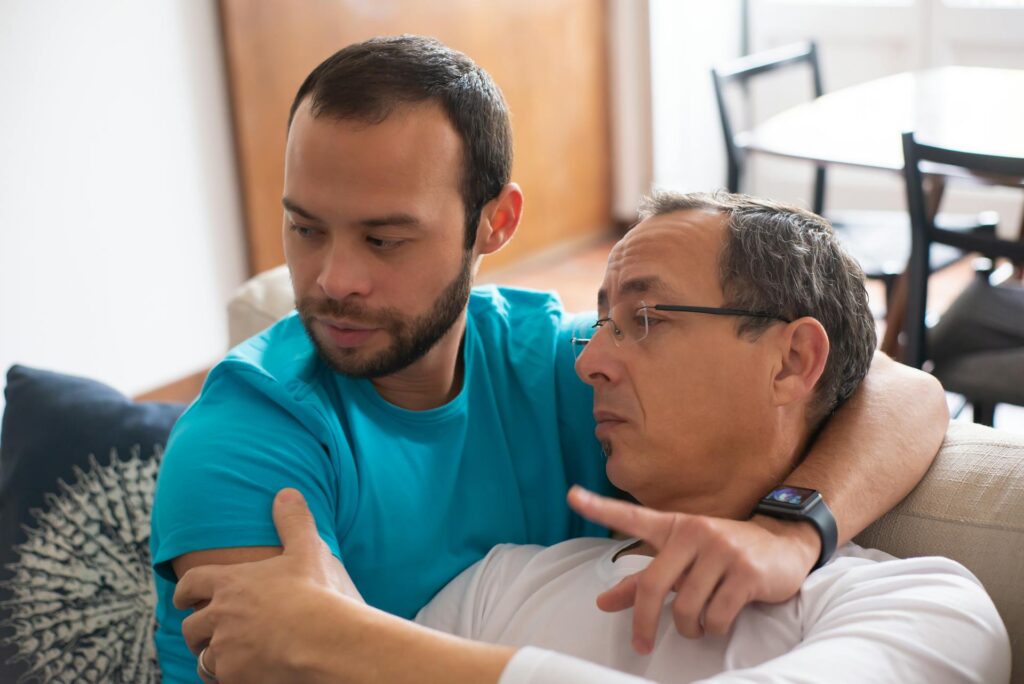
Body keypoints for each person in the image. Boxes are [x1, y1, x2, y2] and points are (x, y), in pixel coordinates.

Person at [151, 36, 950, 682]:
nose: (333, 280)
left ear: (494, 223)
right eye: (306, 228)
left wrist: (792, 530)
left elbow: (895, 387)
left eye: (384, 238)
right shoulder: (249, 438)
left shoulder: (562, 367)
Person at [175, 192, 1009, 683]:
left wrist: (341, 638)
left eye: (643, 317)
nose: (590, 363)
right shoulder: (500, 586)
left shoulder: (926, 605)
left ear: (793, 359)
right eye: (600, 324)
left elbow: (907, 389)